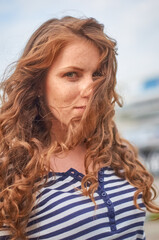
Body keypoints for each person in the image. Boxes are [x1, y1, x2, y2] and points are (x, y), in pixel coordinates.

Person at [0, 16, 158, 240]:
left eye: (97, 75)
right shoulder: (11, 167)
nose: (90, 88)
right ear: (37, 84)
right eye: (71, 75)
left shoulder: (117, 151)